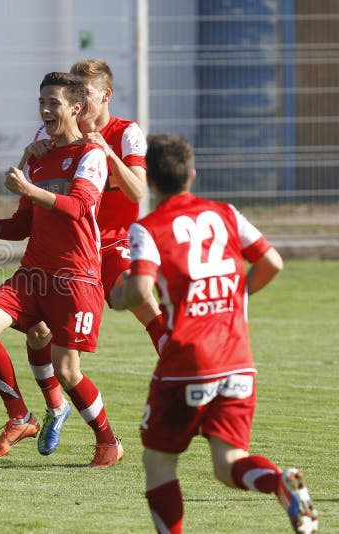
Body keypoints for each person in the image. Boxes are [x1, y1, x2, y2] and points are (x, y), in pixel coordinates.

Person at [110, 134, 318, 534]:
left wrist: (118, 297)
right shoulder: (225, 212)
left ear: (149, 180)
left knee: (158, 462)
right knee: (228, 465)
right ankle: (280, 482)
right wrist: (234, 295)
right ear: (192, 173)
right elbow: (272, 262)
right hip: (238, 360)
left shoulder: (148, 227)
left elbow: (138, 290)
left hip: (187, 361)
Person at [0, 72, 123, 467]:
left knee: (68, 370)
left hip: (76, 278)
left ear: (76, 108)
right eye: (42, 102)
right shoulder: (39, 161)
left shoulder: (90, 155)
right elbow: (20, 226)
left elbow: (78, 208)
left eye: (54, 103)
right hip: (33, 275)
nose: (45, 110)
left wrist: (28, 188)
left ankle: (109, 441)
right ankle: (19, 416)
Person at [15, 59, 167, 458]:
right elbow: (29, 195)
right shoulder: (55, 132)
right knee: (37, 335)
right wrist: (29, 153)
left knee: (142, 301)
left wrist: (107, 153)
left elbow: (136, 193)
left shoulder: (125, 133)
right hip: (70, 252)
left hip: (112, 244)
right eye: (74, 91)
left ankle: (180, 376)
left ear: (104, 95)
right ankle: (54, 408)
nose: (78, 99)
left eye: (86, 90)